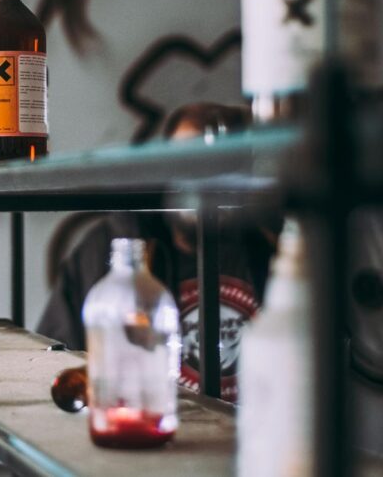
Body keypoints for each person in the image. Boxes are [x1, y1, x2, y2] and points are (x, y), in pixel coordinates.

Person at [36, 102, 279, 401]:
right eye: (188, 164)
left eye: (219, 165)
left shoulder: (276, 247)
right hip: (151, 431)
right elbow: (56, 357)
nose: (202, 182)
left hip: (259, 435)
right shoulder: (111, 248)